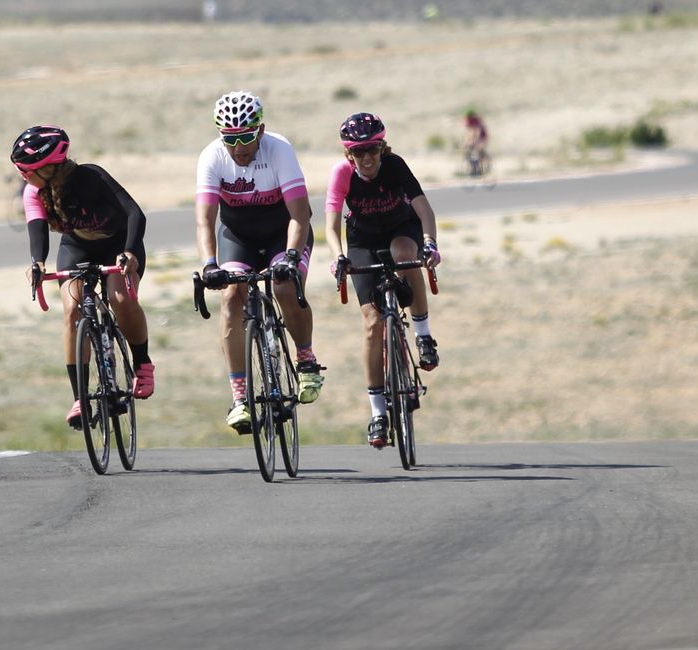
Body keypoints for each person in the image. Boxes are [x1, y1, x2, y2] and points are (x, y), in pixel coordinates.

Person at [195, 90, 323, 434]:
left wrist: (292, 257)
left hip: (285, 231)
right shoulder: (211, 157)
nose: (239, 147)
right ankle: (240, 397)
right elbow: (205, 220)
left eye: (247, 137)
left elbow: (299, 214)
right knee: (230, 297)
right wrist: (209, 264)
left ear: (261, 131)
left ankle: (306, 359)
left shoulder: (279, 149)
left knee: (284, 285)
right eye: (230, 139)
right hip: (240, 237)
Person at [10, 125, 155, 429]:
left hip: (118, 243)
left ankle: (142, 362)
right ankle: (80, 398)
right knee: (72, 311)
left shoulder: (90, 177)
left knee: (119, 298)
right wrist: (36, 263)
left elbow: (134, 214)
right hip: (77, 247)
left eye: (26, 170)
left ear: (48, 167)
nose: (22, 176)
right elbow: (37, 232)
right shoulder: (33, 192)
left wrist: (128, 252)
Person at [324, 112, 443, 449]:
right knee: (372, 323)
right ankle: (378, 412)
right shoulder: (342, 174)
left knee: (407, 254)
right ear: (349, 155)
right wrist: (338, 257)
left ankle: (423, 336)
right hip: (362, 241)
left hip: (399, 230)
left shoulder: (395, 166)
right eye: (358, 152)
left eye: (372, 150)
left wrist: (431, 243)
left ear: (382, 148)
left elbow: (424, 210)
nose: (367, 159)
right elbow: (331, 224)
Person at [462, 108, 489, 176]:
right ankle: (473, 168)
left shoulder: (476, 121)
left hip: (482, 136)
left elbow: (477, 132)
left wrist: (473, 141)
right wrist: (466, 142)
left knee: (477, 150)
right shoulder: (469, 121)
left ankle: (479, 168)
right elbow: (469, 133)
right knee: (468, 151)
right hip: (476, 136)